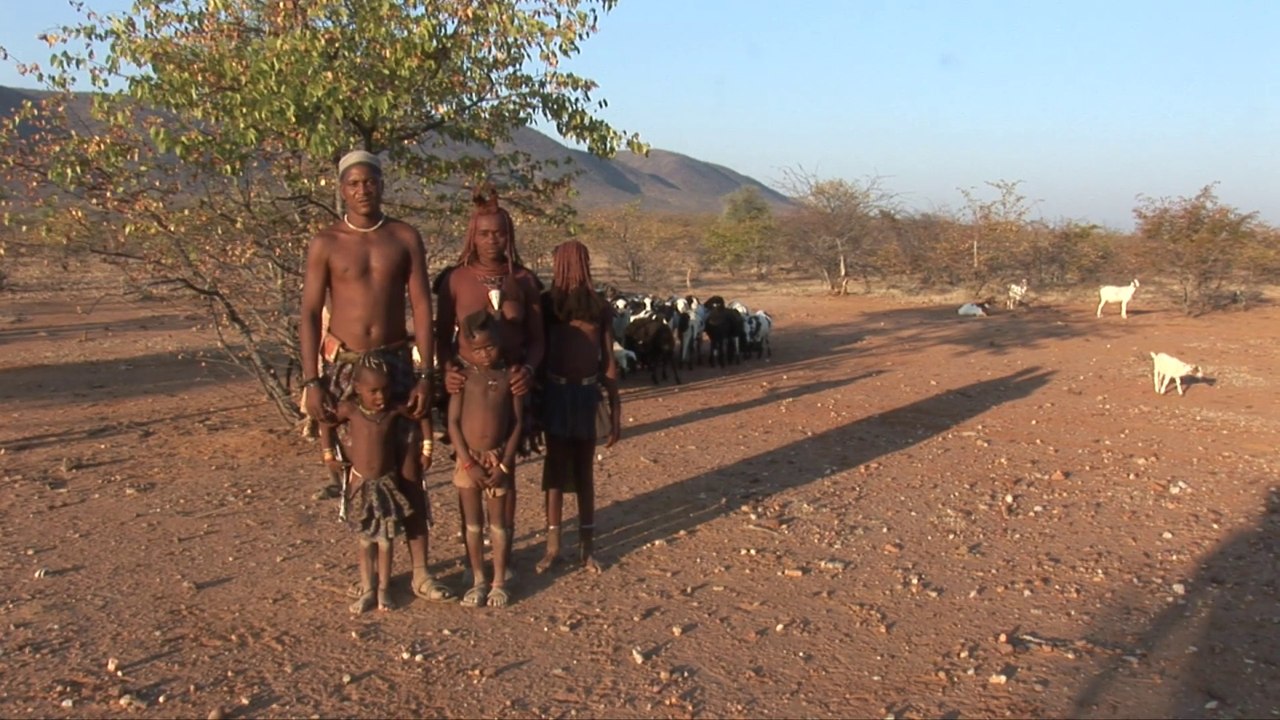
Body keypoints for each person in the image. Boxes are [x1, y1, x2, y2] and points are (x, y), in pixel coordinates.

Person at [299, 150, 453, 603]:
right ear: (341, 189)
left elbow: (422, 305)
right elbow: (309, 312)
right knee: (359, 470)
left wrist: (427, 371)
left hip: (398, 364)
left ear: (383, 185)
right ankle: (370, 576)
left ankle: (421, 571)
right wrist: (312, 382)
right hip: (346, 366)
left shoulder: (403, 237)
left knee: (409, 469)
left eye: (370, 182)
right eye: (353, 183)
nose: (362, 190)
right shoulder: (324, 243)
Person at [435, 184, 545, 580]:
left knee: (506, 470)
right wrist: (448, 369)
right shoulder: (455, 280)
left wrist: (528, 371)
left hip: (512, 387)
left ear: (510, 235)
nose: (492, 239)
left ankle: (504, 558)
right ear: (472, 235)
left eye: (499, 232)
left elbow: (538, 340)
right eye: (484, 233)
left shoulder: (526, 281)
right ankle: (473, 563)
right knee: (468, 466)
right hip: (467, 389)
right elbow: (440, 335)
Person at [536, 240, 621, 574]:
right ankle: (554, 546)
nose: (570, 269)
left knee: (581, 471)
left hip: (585, 395)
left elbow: (609, 360)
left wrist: (615, 412)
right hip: (556, 393)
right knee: (556, 471)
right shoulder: (546, 306)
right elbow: (538, 353)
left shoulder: (599, 307)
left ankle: (586, 548)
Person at [321, 357, 428, 613]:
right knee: (365, 540)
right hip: (361, 484)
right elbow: (326, 423)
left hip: (387, 485)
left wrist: (427, 449)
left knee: (385, 540)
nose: (381, 396)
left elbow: (420, 415)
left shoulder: (392, 410)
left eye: (386, 389)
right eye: (374, 391)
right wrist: (328, 455)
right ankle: (368, 589)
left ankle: (383, 590)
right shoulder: (351, 410)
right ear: (357, 387)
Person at [447, 311, 524, 608]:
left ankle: (499, 581)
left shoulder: (509, 380)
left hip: (497, 459)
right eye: (477, 349)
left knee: (499, 525)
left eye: (490, 347)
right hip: (469, 460)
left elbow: (516, 423)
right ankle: (478, 579)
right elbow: (453, 423)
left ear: (500, 344)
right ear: (466, 349)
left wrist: (504, 463)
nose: (485, 354)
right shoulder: (463, 381)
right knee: (473, 524)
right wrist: (467, 462)